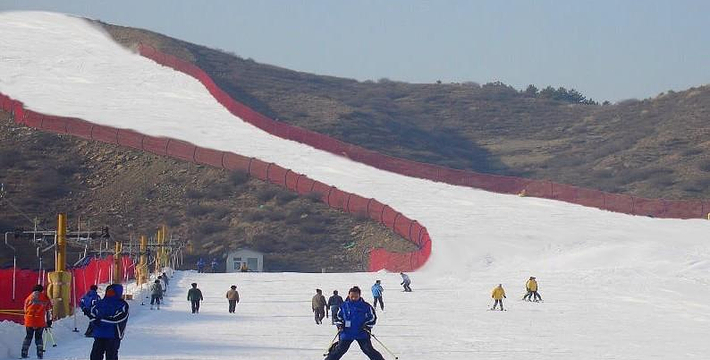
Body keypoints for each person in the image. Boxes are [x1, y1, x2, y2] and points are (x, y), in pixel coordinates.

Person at [324, 286, 384, 360]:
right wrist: (340, 324)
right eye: (352, 296)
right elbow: (337, 317)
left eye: (356, 296)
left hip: (362, 333)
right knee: (339, 350)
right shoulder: (343, 306)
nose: (353, 298)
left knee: (368, 350)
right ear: (348, 295)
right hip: (346, 333)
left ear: (359, 295)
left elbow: (373, 318)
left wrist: (367, 325)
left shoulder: (366, 306)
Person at [90, 283, 129, 360]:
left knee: (111, 356)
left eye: (112, 292)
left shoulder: (122, 304)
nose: (109, 293)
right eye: (108, 292)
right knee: (95, 355)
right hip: (99, 334)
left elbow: (120, 318)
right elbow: (93, 312)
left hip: (113, 335)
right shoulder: (101, 303)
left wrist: (102, 319)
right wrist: (94, 319)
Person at [21, 284, 52, 359]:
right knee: (38, 337)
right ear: (41, 290)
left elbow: (25, 310)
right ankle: (40, 353)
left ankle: (24, 352)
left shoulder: (28, 298)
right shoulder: (44, 298)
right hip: (39, 321)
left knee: (28, 336)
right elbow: (48, 311)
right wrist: (49, 322)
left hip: (29, 320)